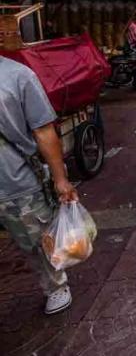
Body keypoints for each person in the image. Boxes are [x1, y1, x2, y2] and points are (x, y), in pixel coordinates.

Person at [0, 57, 79, 315]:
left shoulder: (18, 76)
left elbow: (44, 131)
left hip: (17, 181)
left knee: (35, 240)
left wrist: (60, 179)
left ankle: (56, 286)